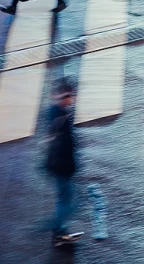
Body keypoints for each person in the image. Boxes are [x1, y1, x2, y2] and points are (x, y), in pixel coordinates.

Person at [46, 82, 84, 247]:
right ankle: (57, 232)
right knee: (68, 202)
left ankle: (58, 231)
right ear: (64, 98)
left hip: (60, 166)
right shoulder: (60, 117)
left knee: (66, 200)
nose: (73, 99)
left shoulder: (58, 113)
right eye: (70, 96)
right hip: (62, 167)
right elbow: (64, 146)